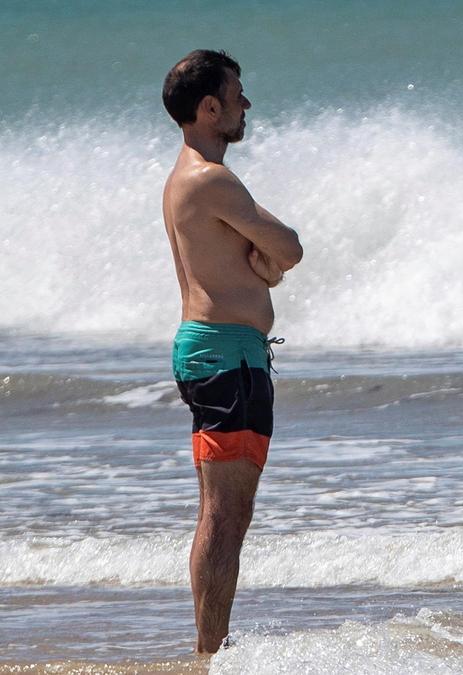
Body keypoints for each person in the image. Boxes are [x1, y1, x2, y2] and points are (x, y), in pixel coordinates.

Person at [161, 49, 303, 653]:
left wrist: (265, 264)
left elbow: (271, 257)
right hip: (227, 359)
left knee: (222, 512)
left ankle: (210, 646)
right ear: (209, 107)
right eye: (236, 93)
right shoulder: (210, 179)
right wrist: (269, 262)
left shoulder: (191, 177)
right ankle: (211, 652)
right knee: (226, 514)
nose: (247, 103)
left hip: (220, 353)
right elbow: (289, 248)